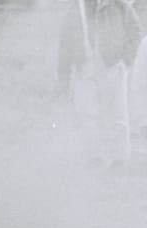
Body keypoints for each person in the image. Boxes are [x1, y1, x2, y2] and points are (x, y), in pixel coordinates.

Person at [57, 0, 143, 163]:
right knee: (87, 115)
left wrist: (125, 60)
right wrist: (64, 77)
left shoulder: (118, 5)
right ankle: (93, 159)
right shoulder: (74, 10)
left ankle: (119, 160)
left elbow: (136, 31)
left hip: (112, 66)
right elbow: (64, 46)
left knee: (117, 115)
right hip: (84, 68)